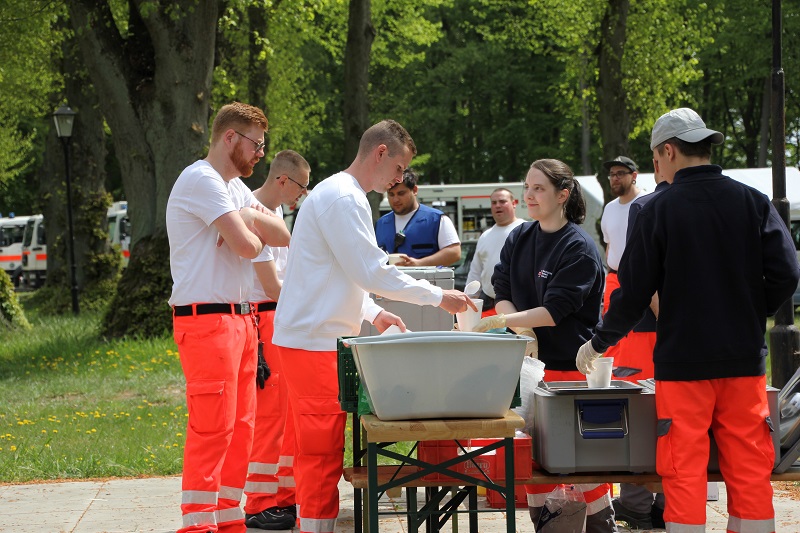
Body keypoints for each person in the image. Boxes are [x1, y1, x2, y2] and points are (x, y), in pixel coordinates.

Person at [577, 107, 800, 531]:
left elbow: (635, 291)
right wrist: (753, 312)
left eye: (656, 159)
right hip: (743, 361)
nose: (655, 167)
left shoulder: (655, 210)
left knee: (683, 471)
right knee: (751, 468)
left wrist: (600, 341)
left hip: (683, 364)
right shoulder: (751, 201)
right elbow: (787, 272)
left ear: (668, 150)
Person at [271, 119, 475, 533]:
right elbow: (372, 271)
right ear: (380, 153)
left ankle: (313, 524)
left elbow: (337, 273)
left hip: (315, 337)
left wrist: (372, 312)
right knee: (319, 451)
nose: (399, 179)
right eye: (399, 168)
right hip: (312, 342)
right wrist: (438, 296)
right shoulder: (344, 199)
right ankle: (314, 527)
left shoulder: (338, 194)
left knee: (319, 449)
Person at [472, 159, 617, 533]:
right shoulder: (520, 237)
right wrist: (521, 328)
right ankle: (549, 525)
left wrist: (509, 322)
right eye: (527, 187)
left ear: (563, 195)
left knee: (581, 464)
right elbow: (500, 289)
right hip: (528, 371)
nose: (529, 196)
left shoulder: (580, 247)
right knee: (537, 463)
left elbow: (555, 311)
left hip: (570, 372)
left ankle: (601, 526)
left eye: (538, 188)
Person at [167, 102, 291, 533]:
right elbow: (248, 246)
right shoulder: (201, 179)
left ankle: (227, 518)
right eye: (256, 144)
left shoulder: (233, 188)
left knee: (241, 428)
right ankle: (198, 524)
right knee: (213, 427)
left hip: (240, 320)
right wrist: (249, 233)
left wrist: (247, 226)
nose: (260, 154)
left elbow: (278, 233)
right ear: (230, 138)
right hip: (207, 320)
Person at [243, 150, 311, 530]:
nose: (303, 193)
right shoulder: (254, 212)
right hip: (265, 316)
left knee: (285, 415)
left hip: (279, 319)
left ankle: (282, 496)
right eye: (301, 185)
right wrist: (314, 295)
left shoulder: (278, 213)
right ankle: (258, 502)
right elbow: (270, 284)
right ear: (283, 180)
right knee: (269, 417)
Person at [599, 156, 663, 530]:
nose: (615, 178)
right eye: (611, 174)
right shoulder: (609, 209)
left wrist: (656, 303)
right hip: (618, 287)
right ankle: (638, 500)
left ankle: (650, 500)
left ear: (635, 175)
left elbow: (650, 263)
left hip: (645, 296)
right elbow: (614, 253)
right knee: (626, 387)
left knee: (649, 392)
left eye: (620, 173)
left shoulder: (650, 203)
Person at [375, 167, 461, 266]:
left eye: (401, 193)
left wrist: (419, 263)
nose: (395, 199)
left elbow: (454, 253)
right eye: (391, 194)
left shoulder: (436, 220)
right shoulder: (381, 224)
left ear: (414, 190)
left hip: (426, 281)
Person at [464, 187, 524, 316]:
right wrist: (468, 298)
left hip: (519, 305)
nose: (498, 206)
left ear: (514, 204)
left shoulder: (526, 230)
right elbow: (475, 271)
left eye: (502, 201)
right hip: (490, 304)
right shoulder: (485, 236)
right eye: (494, 202)